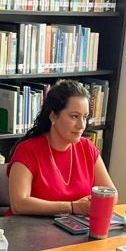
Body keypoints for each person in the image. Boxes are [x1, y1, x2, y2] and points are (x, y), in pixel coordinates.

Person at [7, 79, 115, 216]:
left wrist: (93, 203)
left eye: (85, 117)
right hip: (30, 227)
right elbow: (19, 204)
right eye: (74, 116)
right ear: (53, 116)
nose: (81, 125)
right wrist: (72, 207)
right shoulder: (28, 150)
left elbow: (112, 194)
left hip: (74, 226)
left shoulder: (87, 147)